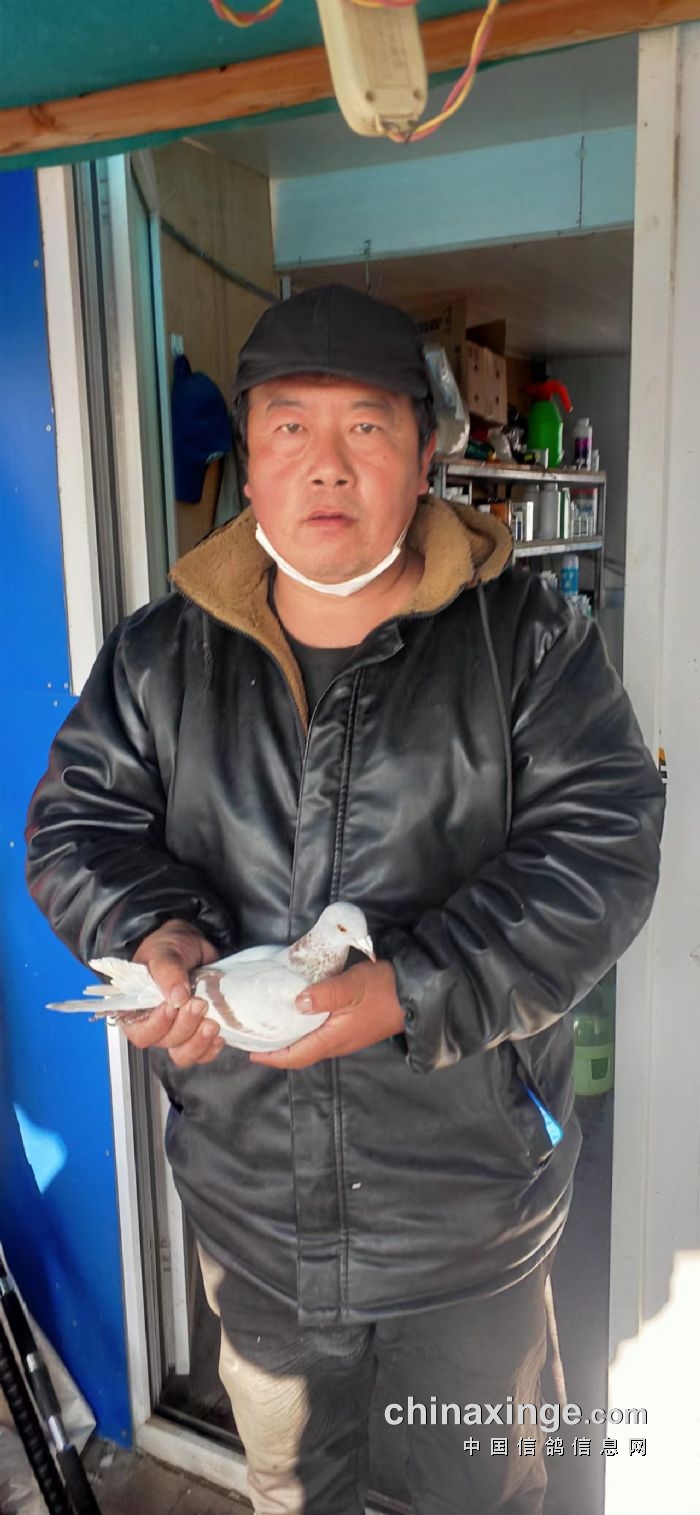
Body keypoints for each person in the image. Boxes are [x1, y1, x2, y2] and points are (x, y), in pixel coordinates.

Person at [25, 284, 664, 1514]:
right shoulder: (160, 655)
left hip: (467, 1220)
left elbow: (600, 852)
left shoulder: (524, 640)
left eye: (365, 427)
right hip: (253, 1212)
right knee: (294, 1493)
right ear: (248, 461)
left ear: (426, 458)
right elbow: (77, 825)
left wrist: (411, 991)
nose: (325, 464)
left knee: (474, 1490)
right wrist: (148, 931)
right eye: (288, 428)